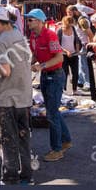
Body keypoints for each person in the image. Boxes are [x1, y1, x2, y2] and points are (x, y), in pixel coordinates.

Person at [0, 6, 34, 184]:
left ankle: (10, 177)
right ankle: (27, 175)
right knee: (23, 137)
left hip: (6, 97)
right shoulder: (19, 36)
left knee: (7, 139)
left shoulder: (0, 41)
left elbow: (5, 70)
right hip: (24, 95)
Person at [30, 9, 71, 162]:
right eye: (28, 20)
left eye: (31, 20)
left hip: (55, 75)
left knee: (52, 114)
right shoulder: (34, 36)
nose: (28, 23)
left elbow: (59, 57)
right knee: (52, 111)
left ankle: (57, 149)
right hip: (46, 75)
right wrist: (31, 63)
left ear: (40, 21)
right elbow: (35, 53)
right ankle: (66, 140)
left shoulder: (50, 35)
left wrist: (41, 65)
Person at [59, 16, 81, 96]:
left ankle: (74, 89)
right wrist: (66, 51)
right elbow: (57, 44)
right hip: (64, 55)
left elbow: (77, 40)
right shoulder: (60, 30)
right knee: (64, 73)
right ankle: (63, 89)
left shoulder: (74, 29)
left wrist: (77, 50)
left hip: (74, 54)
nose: (70, 25)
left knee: (75, 73)